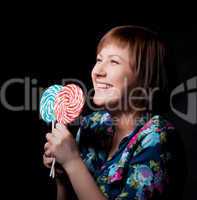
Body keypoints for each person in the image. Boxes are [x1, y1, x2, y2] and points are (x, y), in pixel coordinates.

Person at [43, 25, 178, 200]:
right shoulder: (93, 124)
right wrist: (63, 178)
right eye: (99, 60)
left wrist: (72, 162)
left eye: (113, 61)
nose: (97, 72)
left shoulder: (158, 136)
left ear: (145, 76)